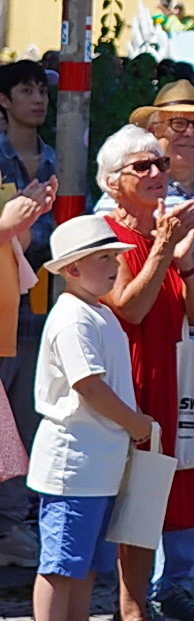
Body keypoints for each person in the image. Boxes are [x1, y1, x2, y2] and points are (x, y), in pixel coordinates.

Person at [27, 218, 154, 621]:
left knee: (83, 563)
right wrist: (136, 423)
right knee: (60, 564)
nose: (116, 263)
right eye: (104, 257)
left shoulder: (94, 311)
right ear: (73, 268)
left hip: (97, 462)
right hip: (73, 464)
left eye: (115, 255)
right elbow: (89, 387)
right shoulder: (73, 317)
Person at [98, 126, 194, 621]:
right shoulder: (107, 234)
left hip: (164, 377)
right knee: (122, 503)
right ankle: (123, 615)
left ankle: (135, 616)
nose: (155, 174)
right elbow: (130, 308)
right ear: (112, 181)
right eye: (140, 167)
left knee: (148, 504)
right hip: (126, 381)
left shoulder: (164, 234)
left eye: (160, 165)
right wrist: (164, 247)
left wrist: (185, 259)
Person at [126, 81, 194, 621]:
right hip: (157, 347)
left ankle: (178, 586)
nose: (190, 133)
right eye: (177, 124)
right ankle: (135, 600)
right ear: (153, 130)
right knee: (151, 473)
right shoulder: (136, 193)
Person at [0, 60, 58, 463]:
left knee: (27, 418)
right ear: (3, 100)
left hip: (42, 309)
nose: (38, 99)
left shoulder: (63, 159)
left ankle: (15, 520)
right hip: (2, 305)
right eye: (26, 90)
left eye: (42, 90)